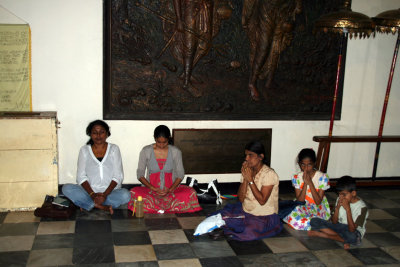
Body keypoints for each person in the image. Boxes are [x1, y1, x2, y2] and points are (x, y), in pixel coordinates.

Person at [209, 140, 282, 241]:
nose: (246, 158)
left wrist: (250, 180)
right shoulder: (248, 171)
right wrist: (245, 179)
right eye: (246, 155)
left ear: (261, 157)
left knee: (250, 231)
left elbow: (262, 201)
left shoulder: (269, 174)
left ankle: (229, 231)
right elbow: (241, 198)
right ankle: (230, 228)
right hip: (247, 211)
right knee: (219, 215)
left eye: (250, 155)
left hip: (264, 217)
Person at [128, 125, 202, 213]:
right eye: (159, 142)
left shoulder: (176, 152)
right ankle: (168, 207)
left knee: (191, 192)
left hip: (172, 190)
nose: (162, 145)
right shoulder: (146, 151)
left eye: (165, 142)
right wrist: (153, 188)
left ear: (169, 139)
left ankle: (154, 207)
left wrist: (170, 189)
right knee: (134, 192)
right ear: (154, 138)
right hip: (151, 190)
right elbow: (140, 174)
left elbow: (180, 174)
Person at [62, 120, 130, 214]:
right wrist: (93, 195)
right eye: (95, 133)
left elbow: (118, 176)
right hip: (89, 192)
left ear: (107, 133)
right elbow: (80, 177)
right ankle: (100, 206)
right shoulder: (84, 150)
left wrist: (105, 195)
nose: (98, 136)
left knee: (125, 195)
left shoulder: (114, 149)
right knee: (66, 188)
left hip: (110, 192)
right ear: (90, 134)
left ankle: (88, 205)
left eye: (101, 132)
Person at [242, 0, 302, 101]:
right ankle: (252, 83)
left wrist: (298, 4)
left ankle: (270, 81)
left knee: (277, 43)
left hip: (284, 9)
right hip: (267, 8)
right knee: (264, 46)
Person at [309, 176, 368, 249]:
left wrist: (348, 209)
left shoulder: (362, 208)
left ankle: (325, 235)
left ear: (353, 193)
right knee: (314, 221)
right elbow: (334, 222)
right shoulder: (339, 199)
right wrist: (337, 208)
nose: (341, 197)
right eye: (339, 194)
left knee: (352, 236)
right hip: (339, 226)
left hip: (353, 231)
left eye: (344, 194)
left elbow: (352, 229)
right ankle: (343, 239)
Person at [283, 148, 331, 230]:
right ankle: (310, 223)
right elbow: (300, 201)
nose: (305, 168)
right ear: (299, 164)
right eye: (303, 165)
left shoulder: (322, 177)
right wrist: (305, 183)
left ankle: (314, 222)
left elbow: (318, 201)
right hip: (303, 204)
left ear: (314, 164)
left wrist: (310, 183)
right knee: (290, 213)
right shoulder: (296, 177)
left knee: (314, 219)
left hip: (317, 206)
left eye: (309, 165)